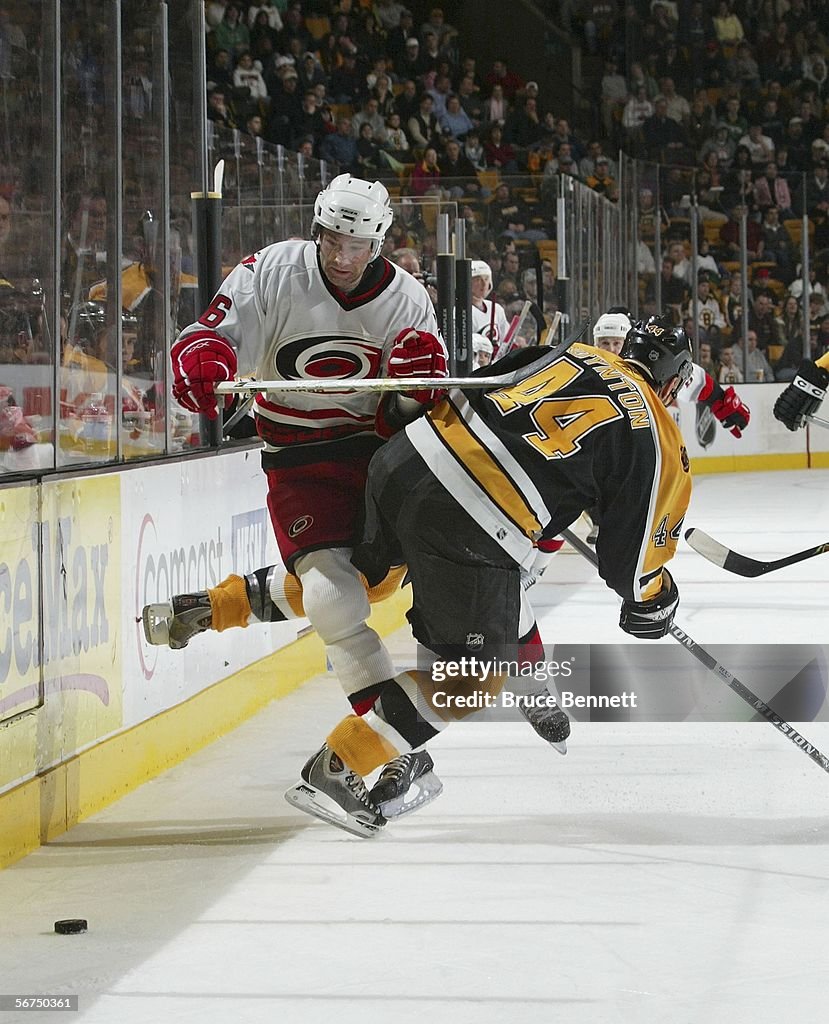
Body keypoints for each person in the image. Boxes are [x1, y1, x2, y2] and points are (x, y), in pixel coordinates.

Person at [285, 314, 695, 835]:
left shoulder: (560, 350)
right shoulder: (655, 428)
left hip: (402, 461)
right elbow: (634, 558)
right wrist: (652, 599)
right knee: (474, 674)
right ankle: (340, 763)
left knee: (362, 581)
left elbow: (484, 394)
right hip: (469, 519)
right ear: (675, 380)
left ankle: (223, 603)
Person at [160, 173, 449, 801]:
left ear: (378, 244)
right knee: (328, 596)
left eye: (357, 246)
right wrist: (203, 357)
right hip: (295, 455)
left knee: (407, 573)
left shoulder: (407, 298)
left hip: (379, 453)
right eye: (332, 241)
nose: (343, 258)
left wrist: (416, 388)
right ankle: (379, 730)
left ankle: (225, 605)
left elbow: (418, 403)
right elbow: (209, 333)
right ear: (316, 229)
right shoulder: (268, 269)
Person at [469, 260, 510, 350]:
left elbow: (506, 341)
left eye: (486, 279)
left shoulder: (497, 309)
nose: (484, 284)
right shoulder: (459, 311)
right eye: (478, 280)